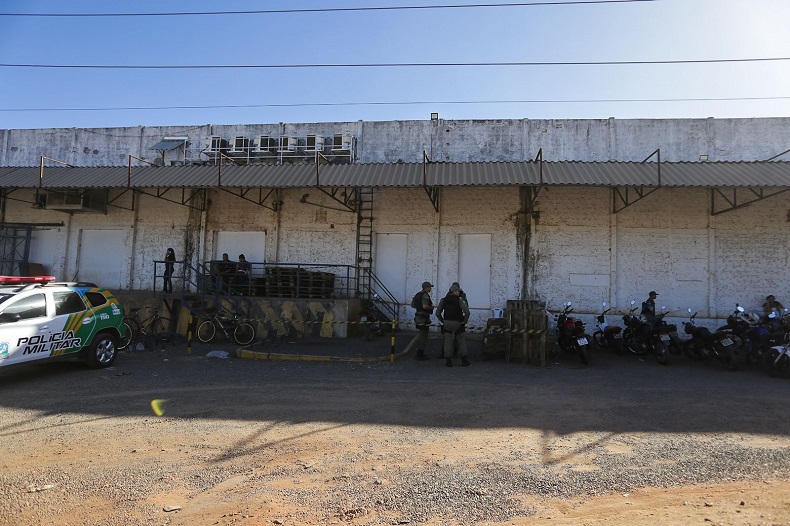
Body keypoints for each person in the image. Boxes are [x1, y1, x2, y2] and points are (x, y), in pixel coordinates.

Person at [436, 283, 471, 367]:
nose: (459, 292)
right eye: (458, 291)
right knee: (461, 341)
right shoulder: (459, 300)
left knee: (447, 342)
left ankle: (448, 361)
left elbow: (437, 313)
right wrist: (464, 322)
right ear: (454, 291)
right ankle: (464, 361)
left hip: (447, 323)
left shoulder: (443, 300)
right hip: (457, 322)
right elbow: (467, 312)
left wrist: (443, 321)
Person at [413, 281, 434, 361]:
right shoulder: (425, 295)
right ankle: (420, 354)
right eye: (430, 287)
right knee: (423, 335)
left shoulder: (418, 294)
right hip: (423, 317)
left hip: (418, 316)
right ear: (426, 287)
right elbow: (425, 306)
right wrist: (431, 307)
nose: (431, 288)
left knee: (421, 334)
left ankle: (420, 352)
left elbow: (413, 305)